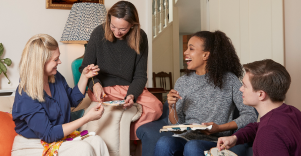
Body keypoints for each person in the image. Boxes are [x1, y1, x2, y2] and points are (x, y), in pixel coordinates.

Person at [154, 30, 258, 156]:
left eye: (191, 49)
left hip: (217, 140)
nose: (185, 52)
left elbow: (250, 115)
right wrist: (172, 106)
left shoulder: (229, 80)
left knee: (193, 146)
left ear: (206, 55)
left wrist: (219, 128)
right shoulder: (182, 82)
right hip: (186, 138)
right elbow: (175, 124)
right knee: (163, 142)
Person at [79, 1, 162, 156]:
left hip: (128, 88)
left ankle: (132, 139)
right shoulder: (98, 32)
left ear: (132, 25)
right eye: (113, 26)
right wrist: (95, 83)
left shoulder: (141, 37)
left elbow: (140, 75)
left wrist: (132, 95)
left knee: (157, 107)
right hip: (103, 88)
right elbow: (85, 67)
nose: (117, 32)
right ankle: (134, 142)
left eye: (122, 29)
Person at [11, 34, 109, 156]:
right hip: (32, 145)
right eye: (55, 59)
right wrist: (86, 118)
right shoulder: (26, 94)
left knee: (97, 141)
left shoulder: (55, 77)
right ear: (41, 62)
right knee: (82, 148)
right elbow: (49, 134)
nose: (60, 62)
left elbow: (72, 100)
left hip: (56, 138)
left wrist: (84, 77)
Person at [217, 59, 301, 156]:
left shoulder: (268, 133)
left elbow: (267, 130)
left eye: (245, 86)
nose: (241, 89)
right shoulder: (291, 111)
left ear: (261, 94)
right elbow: (258, 126)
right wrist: (235, 138)